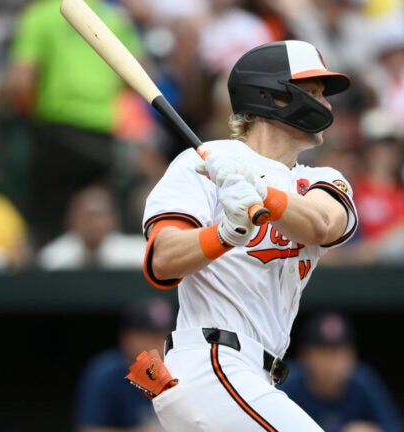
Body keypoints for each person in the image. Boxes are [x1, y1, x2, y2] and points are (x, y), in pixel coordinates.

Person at [142, 40, 358, 431]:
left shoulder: (320, 180)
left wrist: (263, 193)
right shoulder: (202, 164)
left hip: (259, 374)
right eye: (313, 93)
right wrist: (225, 234)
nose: (326, 105)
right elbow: (162, 260)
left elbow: (324, 225)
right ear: (273, 96)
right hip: (212, 362)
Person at [9, 0, 143, 246]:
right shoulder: (114, 16)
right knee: (103, 221)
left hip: (57, 135)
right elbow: (139, 74)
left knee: (51, 229)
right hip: (103, 139)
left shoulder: (40, 15)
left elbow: (21, 83)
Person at [279, 311, 402, 432]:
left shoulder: (363, 382)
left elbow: (393, 426)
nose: (333, 364)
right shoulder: (287, 383)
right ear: (306, 355)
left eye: (339, 354)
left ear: (352, 355)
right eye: (325, 354)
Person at [75, 298, 175, 432]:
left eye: (165, 336)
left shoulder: (179, 368)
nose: (160, 344)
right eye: (151, 336)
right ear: (127, 337)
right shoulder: (106, 372)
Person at [38, 185, 146, 269]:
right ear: (72, 219)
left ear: (112, 219)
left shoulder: (137, 254)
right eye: (87, 216)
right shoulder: (53, 259)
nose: (93, 223)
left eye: (99, 215)